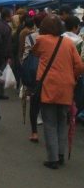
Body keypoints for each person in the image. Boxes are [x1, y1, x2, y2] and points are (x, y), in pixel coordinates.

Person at [32, 15, 84, 169]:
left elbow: (35, 53)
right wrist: (71, 75)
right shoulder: (69, 43)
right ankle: (61, 154)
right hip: (67, 87)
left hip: (49, 86)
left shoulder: (41, 41)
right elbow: (80, 66)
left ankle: (52, 158)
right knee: (62, 121)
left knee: (49, 123)